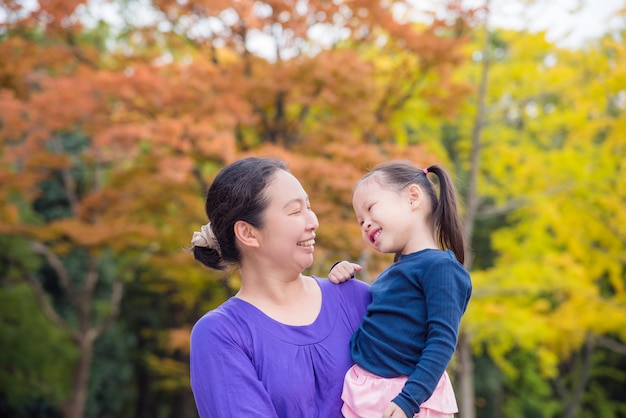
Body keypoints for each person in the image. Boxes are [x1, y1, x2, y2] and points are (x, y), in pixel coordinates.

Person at [189, 157, 371, 418]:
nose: (313, 221)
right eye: (296, 211)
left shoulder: (357, 298)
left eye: (309, 207)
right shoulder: (221, 334)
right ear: (248, 233)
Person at [329, 160, 472, 418]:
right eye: (361, 221)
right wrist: (341, 270)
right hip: (369, 392)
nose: (365, 224)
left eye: (371, 209)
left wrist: (410, 399)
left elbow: (442, 341)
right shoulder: (392, 273)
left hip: (410, 398)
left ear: (413, 197)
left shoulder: (440, 267)